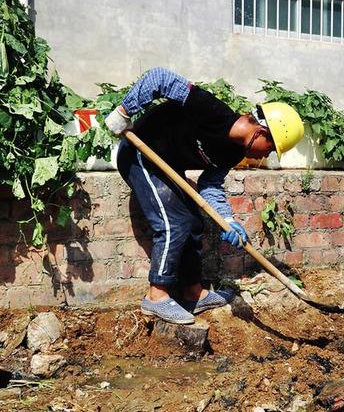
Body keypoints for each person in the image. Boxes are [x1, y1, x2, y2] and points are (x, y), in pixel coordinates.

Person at [105, 67, 304, 325]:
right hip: (139, 154)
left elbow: (210, 184)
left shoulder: (233, 153)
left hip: (167, 166)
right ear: (262, 132)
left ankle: (194, 293)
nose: (266, 156)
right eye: (271, 149)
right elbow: (159, 79)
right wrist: (125, 110)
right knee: (172, 223)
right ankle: (156, 296)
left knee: (193, 221)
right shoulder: (212, 111)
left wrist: (228, 220)